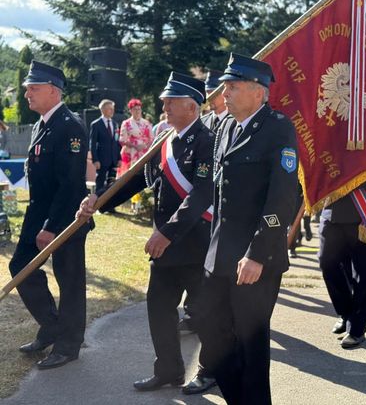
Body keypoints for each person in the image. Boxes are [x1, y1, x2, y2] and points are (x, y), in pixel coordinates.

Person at [77, 72, 214, 391]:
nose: (164, 106)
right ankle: (169, 370)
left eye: (170, 101)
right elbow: (135, 180)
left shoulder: (207, 142)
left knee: (206, 315)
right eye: (164, 101)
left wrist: (166, 233)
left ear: (191, 106)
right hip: (165, 247)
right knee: (159, 310)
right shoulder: (164, 142)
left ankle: (211, 371)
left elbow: (201, 195)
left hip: (195, 245)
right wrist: (99, 200)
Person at [192, 53, 298, 404]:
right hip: (220, 254)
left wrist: (257, 254)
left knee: (251, 344)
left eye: (233, 86)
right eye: (225, 86)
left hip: (255, 259)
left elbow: (282, 198)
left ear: (258, 92)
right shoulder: (224, 127)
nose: (224, 93)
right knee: (210, 328)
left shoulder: (278, 127)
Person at [9, 60, 92, 369]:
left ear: (53, 91)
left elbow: (70, 185)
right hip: (39, 215)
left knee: (70, 281)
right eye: (27, 88)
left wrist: (51, 227)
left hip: (66, 218)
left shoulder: (70, 126)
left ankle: (68, 346)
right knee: (21, 266)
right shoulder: (41, 125)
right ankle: (52, 325)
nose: (27, 93)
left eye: (34, 88)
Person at [318, 118, 366, 349]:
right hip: (333, 207)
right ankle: (345, 312)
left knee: (364, 273)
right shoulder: (329, 121)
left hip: (364, 210)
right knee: (327, 263)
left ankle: (357, 328)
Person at [181, 68, 229, 396]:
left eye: (217, 90)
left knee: (225, 307)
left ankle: (217, 367)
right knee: (207, 298)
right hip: (201, 225)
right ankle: (211, 366)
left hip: (230, 228)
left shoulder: (243, 125)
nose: (212, 96)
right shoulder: (206, 124)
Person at [89, 99, 121, 192]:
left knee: (112, 184)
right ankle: (98, 200)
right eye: (109, 109)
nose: (112, 111)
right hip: (102, 160)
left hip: (113, 159)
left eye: (113, 109)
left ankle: (110, 201)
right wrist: (95, 160)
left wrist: (119, 158)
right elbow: (92, 144)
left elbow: (116, 142)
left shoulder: (115, 124)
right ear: (102, 110)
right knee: (100, 183)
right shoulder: (96, 124)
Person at [117, 98, 153, 177]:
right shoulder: (126, 123)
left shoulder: (147, 123)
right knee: (127, 176)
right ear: (130, 111)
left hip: (144, 152)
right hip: (130, 153)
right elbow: (122, 140)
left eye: (139, 109)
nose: (137, 111)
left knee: (143, 175)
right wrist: (135, 146)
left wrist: (145, 146)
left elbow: (151, 139)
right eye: (135, 109)